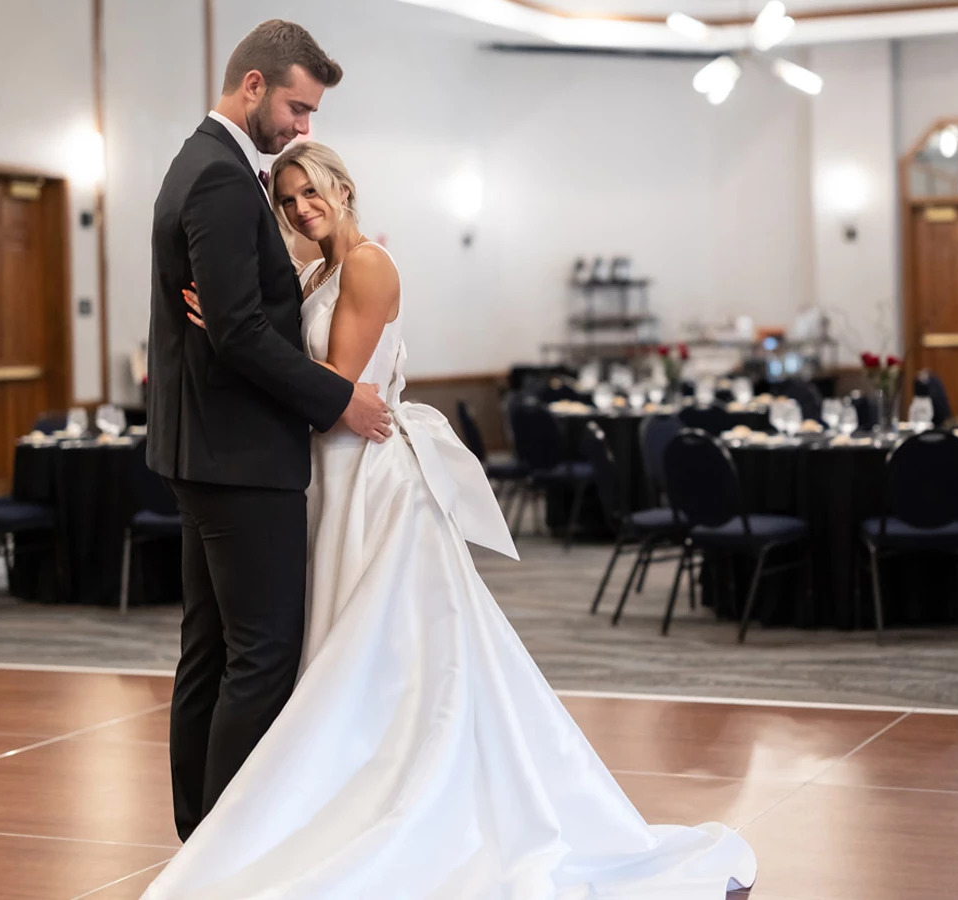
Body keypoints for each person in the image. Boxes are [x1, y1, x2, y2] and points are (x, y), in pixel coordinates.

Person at [143, 139, 756, 899]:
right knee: (334, 652)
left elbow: (334, 390)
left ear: (344, 187)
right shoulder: (310, 273)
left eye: (312, 191)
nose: (302, 207)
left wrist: (232, 340)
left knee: (392, 656)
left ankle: (411, 801)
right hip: (323, 477)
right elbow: (296, 372)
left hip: (370, 478)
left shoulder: (369, 264)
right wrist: (230, 334)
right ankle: (320, 804)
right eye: (289, 199)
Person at [147, 19, 391, 843]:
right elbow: (245, 332)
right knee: (260, 656)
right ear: (254, 86)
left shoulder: (203, 165)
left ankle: (198, 837)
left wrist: (235, 322)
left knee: (211, 652)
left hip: (208, 449)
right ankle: (226, 847)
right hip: (242, 457)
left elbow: (238, 321)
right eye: (297, 106)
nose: (302, 127)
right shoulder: (218, 177)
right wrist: (338, 400)